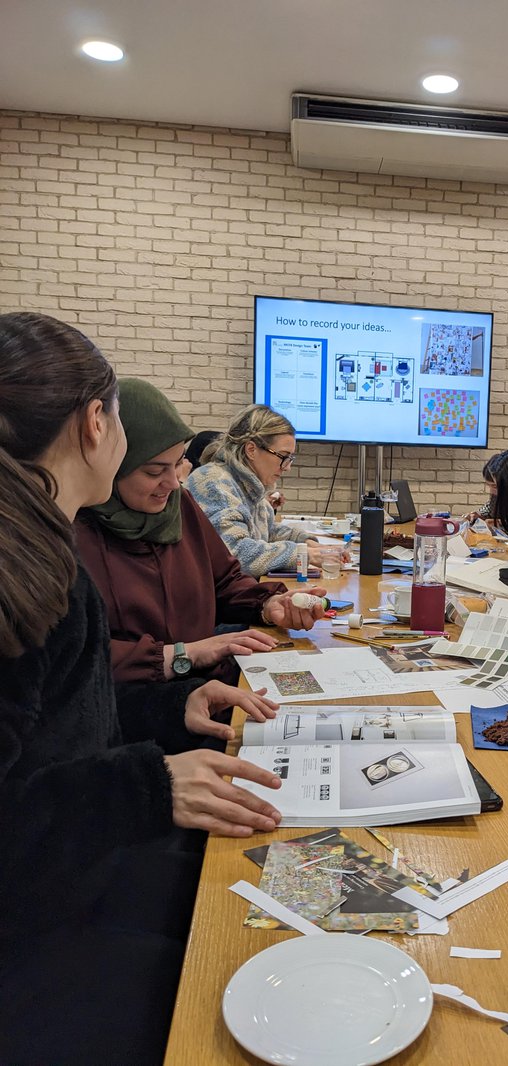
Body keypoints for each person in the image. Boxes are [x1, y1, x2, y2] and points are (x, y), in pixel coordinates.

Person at [0, 312, 286, 1065]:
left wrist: (169, 708)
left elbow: (59, 729)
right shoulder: (25, 570)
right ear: (97, 423)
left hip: (69, 879)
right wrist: (145, 786)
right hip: (42, 928)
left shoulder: (38, 542)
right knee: (244, 958)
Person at [75, 380, 327, 686]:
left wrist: (267, 605)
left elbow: (225, 580)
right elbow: (78, 658)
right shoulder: (76, 534)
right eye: (154, 472)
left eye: (178, 463)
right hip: (134, 709)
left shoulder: (179, 506)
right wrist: (184, 655)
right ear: (113, 464)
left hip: (198, 687)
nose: (172, 483)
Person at [185, 404, 325, 575]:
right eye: (283, 456)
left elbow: (267, 531)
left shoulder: (247, 483)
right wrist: (301, 554)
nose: (287, 467)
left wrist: (305, 542)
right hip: (217, 599)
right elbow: (235, 554)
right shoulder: (214, 482)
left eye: (290, 458)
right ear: (251, 449)